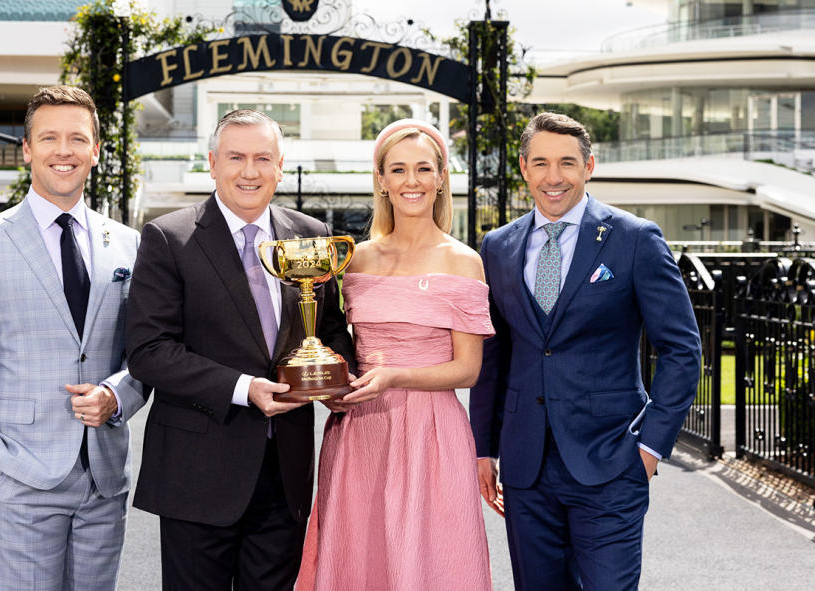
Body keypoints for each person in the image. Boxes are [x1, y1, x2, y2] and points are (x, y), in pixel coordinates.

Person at [470, 112, 701, 590]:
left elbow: (681, 350)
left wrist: (650, 448)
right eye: (541, 163)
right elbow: (494, 355)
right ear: (523, 168)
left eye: (567, 163)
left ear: (589, 165)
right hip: (525, 466)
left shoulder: (635, 239)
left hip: (612, 459)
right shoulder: (496, 247)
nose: (554, 177)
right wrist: (484, 449)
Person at [125, 109, 354, 590]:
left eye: (262, 158)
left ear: (280, 166)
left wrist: (333, 376)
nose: (249, 171)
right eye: (236, 157)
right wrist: (244, 388)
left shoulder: (310, 236)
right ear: (212, 163)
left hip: (284, 471)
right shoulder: (169, 238)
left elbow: (330, 328)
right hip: (198, 474)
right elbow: (149, 350)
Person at [0, 85, 146, 590]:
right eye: (49, 138)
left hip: (103, 479)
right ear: (27, 149)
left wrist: (118, 395)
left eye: (77, 138)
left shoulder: (128, 243)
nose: (64, 151)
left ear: (95, 150)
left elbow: (144, 352)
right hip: (17, 476)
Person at [296, 119, 493, 590]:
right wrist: (332, 389)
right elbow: (341, 345)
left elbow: (468, 370)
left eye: (423, 169)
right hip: (360, 430)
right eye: (398, 170)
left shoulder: (463, 260)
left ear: (441, 176)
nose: (412, 181)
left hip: (432, 434)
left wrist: (393, 377)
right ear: (381, 180)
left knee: (431, 561)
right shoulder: (357, 259)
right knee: (361, 559)